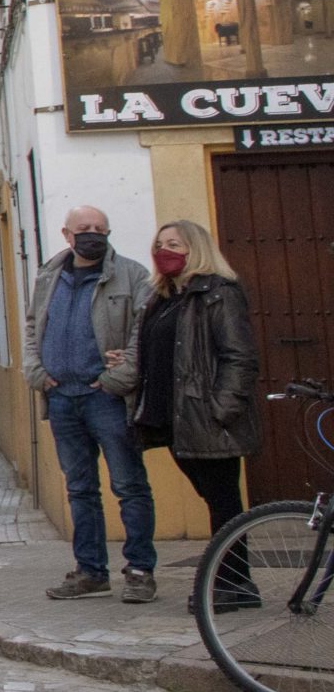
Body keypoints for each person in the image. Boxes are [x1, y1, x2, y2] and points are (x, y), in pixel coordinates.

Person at [24, 205, 157, 602]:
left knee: (129, 485)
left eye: (100, 228)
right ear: (67, 234)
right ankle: (90, 571)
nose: (92, 234)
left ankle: (139, 571)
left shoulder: (132, 276)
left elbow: (142, 333)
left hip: (108, 399)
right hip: (62, 398)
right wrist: (36, 373)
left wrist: (116, 379)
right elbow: (33, 326)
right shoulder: (49, 275)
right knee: (80, 490)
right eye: (84, 229)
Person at [133, 219, 263, 613]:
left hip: (206, 418)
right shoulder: (162, 297)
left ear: (196, 248)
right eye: (159, 243)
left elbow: (239, 356)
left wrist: (220, 409)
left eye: (174, 243)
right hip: (174, 418)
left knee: (223, 502)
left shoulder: (218, 293)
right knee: (215, 500)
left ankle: (230, 583)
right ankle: (237, 581)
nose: (164, 250)